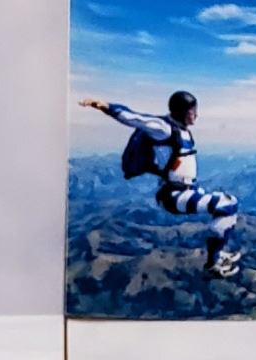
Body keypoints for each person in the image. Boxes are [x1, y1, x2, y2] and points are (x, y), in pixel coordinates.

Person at [78, 92, 241, 278]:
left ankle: (216, 253)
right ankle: (213, 262)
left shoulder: (181, 130)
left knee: (228, 203)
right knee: (226, 205)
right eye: (192, 111)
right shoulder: (164, 129)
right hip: (173, 196)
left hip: (185, 190)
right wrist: (105, 106)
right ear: (181, 112)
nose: (196, 115)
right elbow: (134, 118)